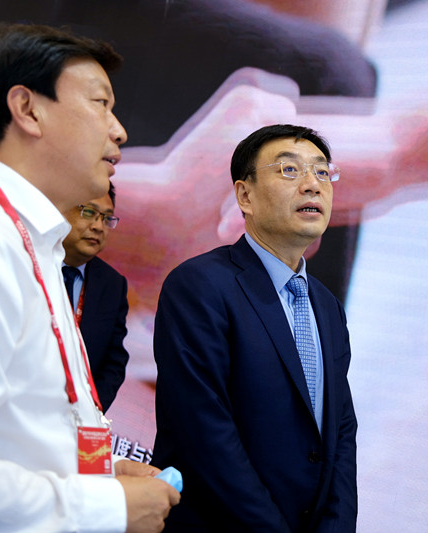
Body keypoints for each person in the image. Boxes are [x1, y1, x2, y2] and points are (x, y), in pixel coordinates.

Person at [0, 22, 179, 532]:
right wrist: (107, 509)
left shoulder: (30, 243)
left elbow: (12, 433)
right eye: (100, 103)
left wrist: (97, 473)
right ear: (27, 109)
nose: (119, 131)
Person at [152, 124, 358, 532]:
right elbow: (204, 433)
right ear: (245, 195)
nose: (312, 185)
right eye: (289, 170)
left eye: (322, 172)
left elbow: (341, 431)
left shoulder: (328, 307)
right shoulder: (200, 285)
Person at [63, 181, 130, 412]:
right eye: (89, 212)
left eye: (107, 218)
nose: (98, 226)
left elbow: (114, 360)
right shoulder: (29, 265)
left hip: (80, 419)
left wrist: (90, 412)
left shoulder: (113, 284)